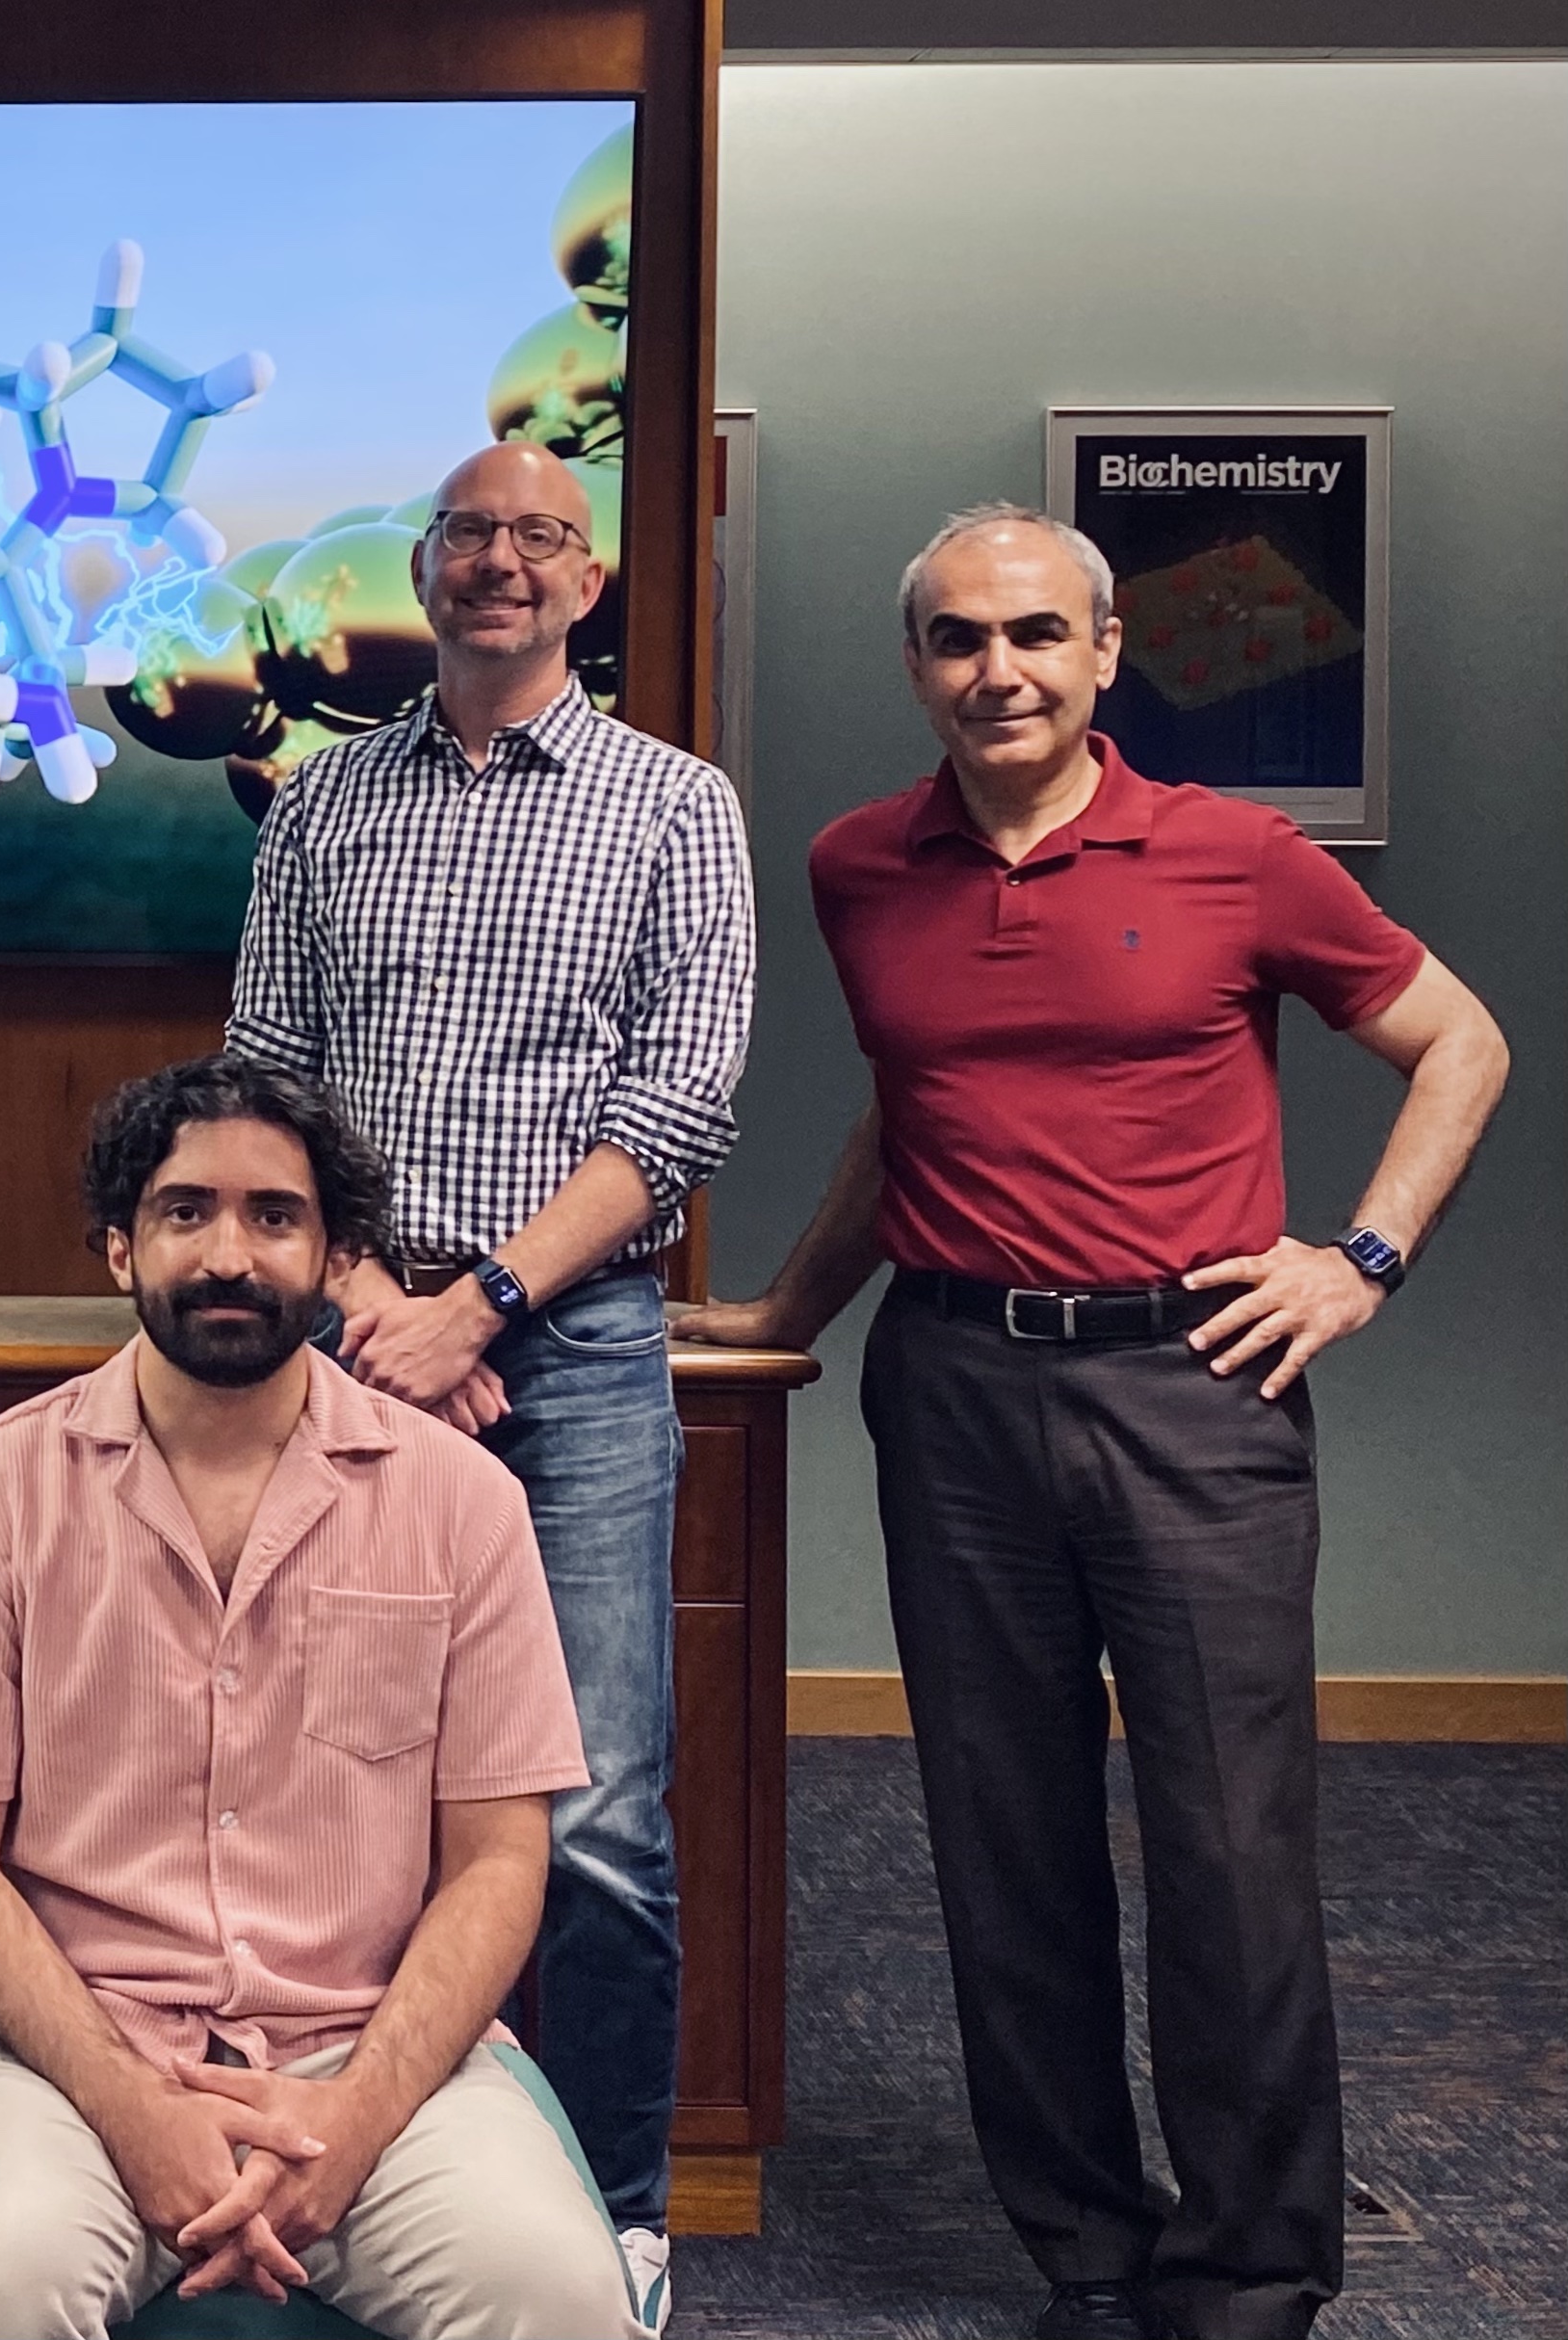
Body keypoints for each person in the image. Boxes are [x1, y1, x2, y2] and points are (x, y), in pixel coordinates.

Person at [677, 505, 1504, 2340]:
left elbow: (1463, 1039)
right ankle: (1088, 2248)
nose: (1002, 669)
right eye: (962, 638)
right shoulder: (855, 863)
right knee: (1001, 1837)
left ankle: (1251, 2264)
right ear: (918, 666)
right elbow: (924, 1118)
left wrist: (1359, 1256)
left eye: (1038, 634)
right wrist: (787, 1314)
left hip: (1193, 1390)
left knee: (1229, 1848)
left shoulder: (1239, 855)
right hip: (956, 1389)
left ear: (1108, 651)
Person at [225, 438, 753, 2320]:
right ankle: (327, 2159)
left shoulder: (671, 806)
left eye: (539, 536)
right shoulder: (317, 804)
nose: (498, 563)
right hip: (337, 1341)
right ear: (420, 567)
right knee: (324, 1780)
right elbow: (263, 1071)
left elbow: (682, 1096)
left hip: (579, 1348)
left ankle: (615, 2199)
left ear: (588, 580)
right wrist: (375, 1304)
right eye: (466, 533)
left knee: (592, 1802)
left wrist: (485, 1306)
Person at [0, 1055, 642, 2340]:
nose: (228, 1252)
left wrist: (355, 2120)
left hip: (371, 2047)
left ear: (335, 1252)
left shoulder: (464, 1505)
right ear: (118, 1246)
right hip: (64, 2057)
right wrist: (133, 2110)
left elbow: (501, 1864)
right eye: (185, 1212)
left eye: (273, 1217)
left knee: (557, 2296)